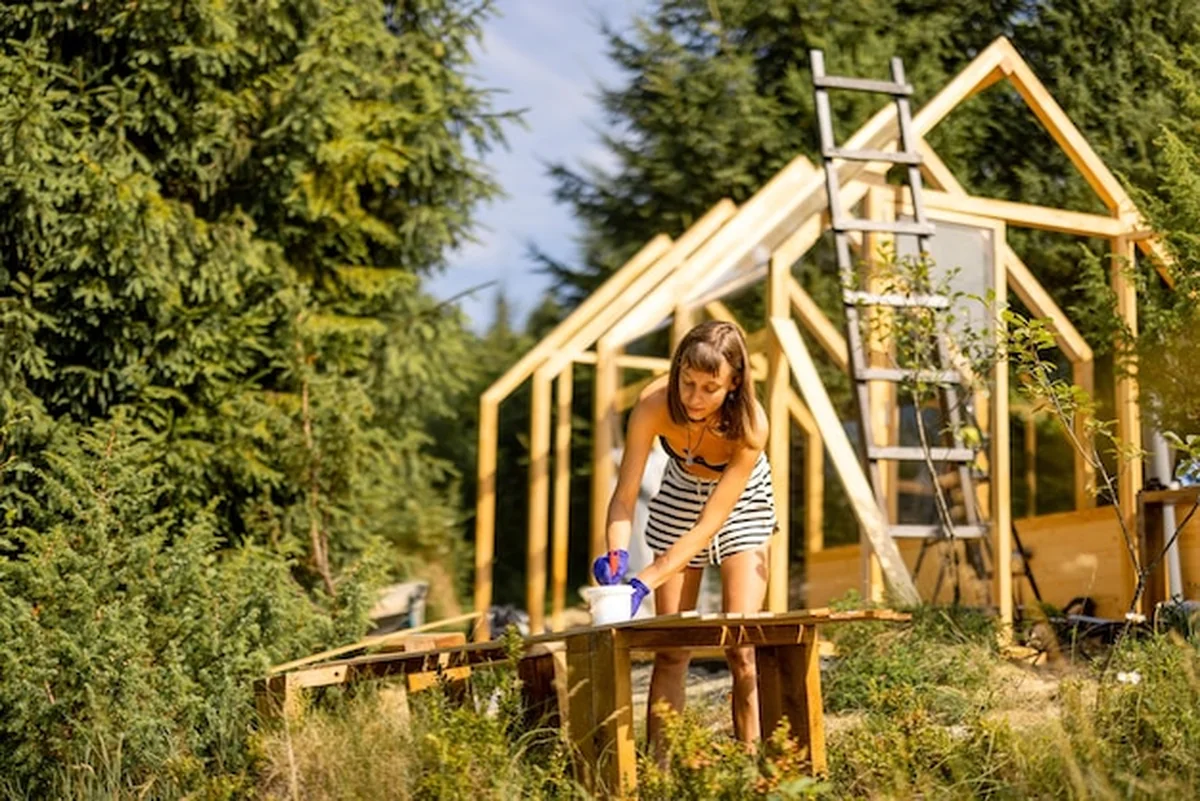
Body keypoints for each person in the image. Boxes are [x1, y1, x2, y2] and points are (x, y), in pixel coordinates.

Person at [591, 320, 777, 750]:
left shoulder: (751, 427)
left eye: (709, 388)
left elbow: (709, 525)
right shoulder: (654, 404)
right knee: (672, 648)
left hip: (740, 500)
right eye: (687, 382)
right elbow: (624, 496)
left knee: (740, 645)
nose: (694, 398)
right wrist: (617, 554)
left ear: (733, 384)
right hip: (680, 489)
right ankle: (660, 772)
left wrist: (646, 580)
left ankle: (750, 766)